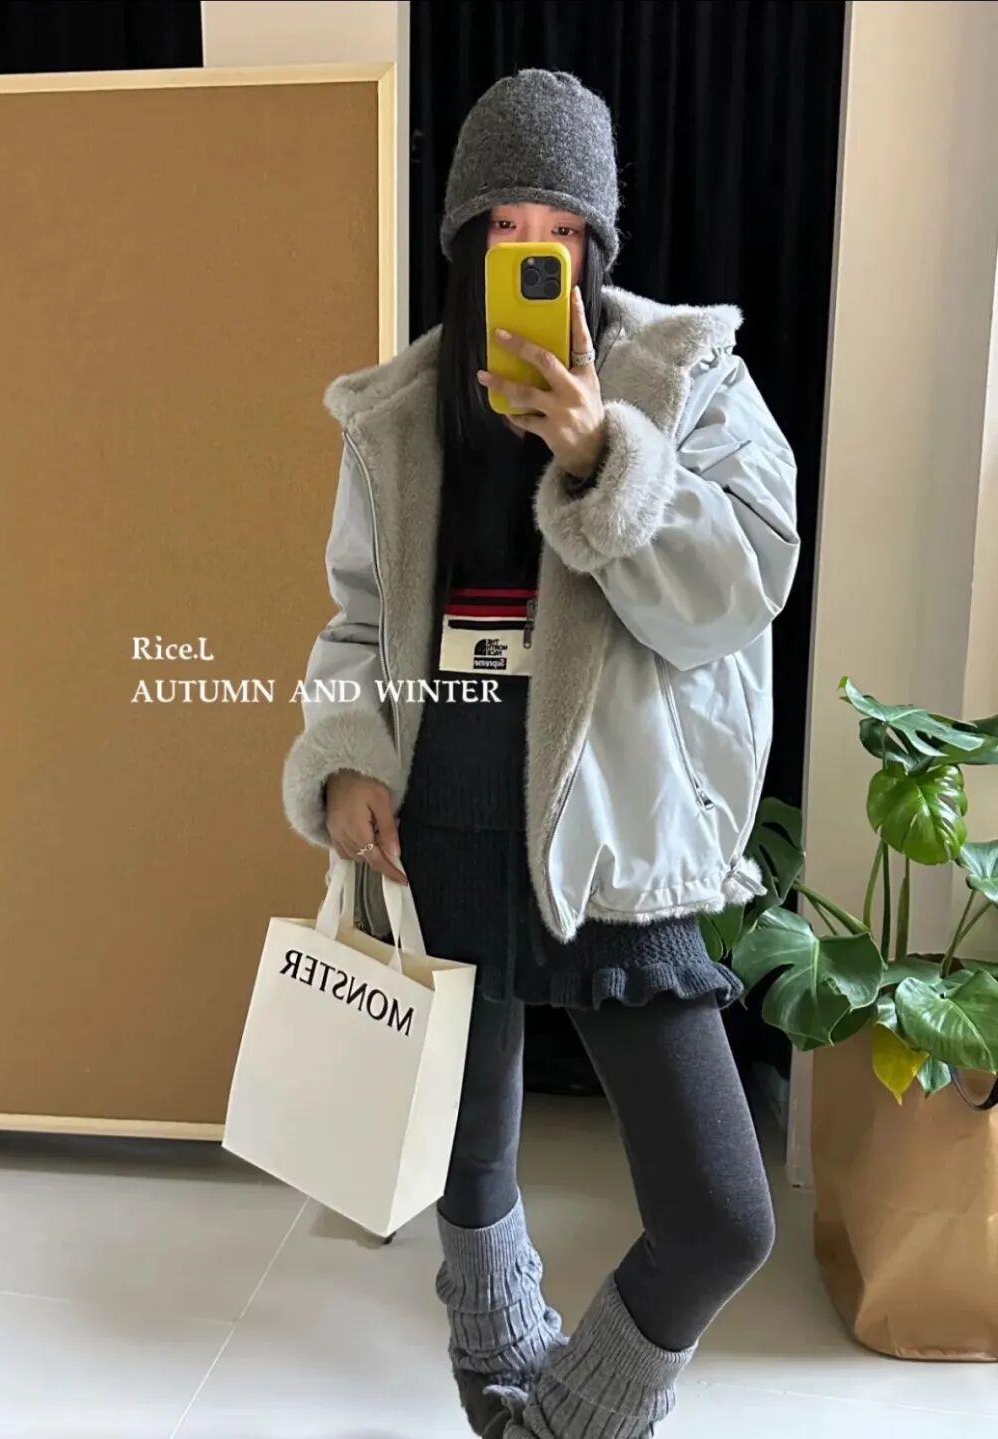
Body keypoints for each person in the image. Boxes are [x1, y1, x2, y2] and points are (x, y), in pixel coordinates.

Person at [282, 69, 799, 1439]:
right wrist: (349, 754)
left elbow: (740, 590)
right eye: (504, 227)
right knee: (473, 1160)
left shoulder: (687, 379)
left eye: (560, 230)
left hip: (611, 825)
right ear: (464, 240)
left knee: (719, 1214)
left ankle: (567, 1424)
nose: (532, 252)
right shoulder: (400, 414)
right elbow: (358, 617)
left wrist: (603, 454)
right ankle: (496, 1365)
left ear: (596, 244)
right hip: (440, 818)